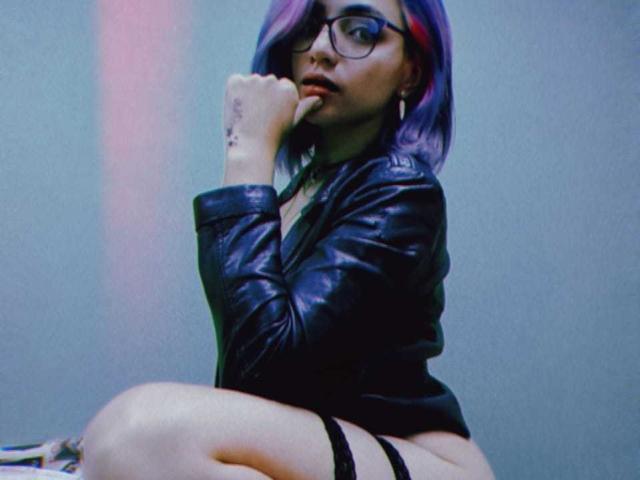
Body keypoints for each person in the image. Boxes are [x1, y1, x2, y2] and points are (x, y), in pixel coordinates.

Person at [82, 0, 496, 478]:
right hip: (349, 444)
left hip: (422, 461)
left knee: (135, 432)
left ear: (410, 72)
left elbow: (264, 373)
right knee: (117, 444)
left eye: (361, 31)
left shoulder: (401, 189)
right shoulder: (306, 190)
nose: (320, 49)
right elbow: (249, 379)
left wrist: (248, 151)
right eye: (308, 27)